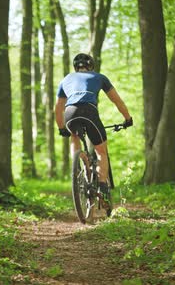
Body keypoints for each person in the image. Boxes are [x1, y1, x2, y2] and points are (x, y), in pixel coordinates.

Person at [54, 53, 133, 206]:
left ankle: (78, 165)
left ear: (75, 67)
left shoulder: (66, 79)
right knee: (101, 150)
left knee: (74, 136)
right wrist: (127, 118)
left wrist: (61, 127)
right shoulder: (99, 77)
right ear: (91, 66)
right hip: (89, 111)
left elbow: (58, 108)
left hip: (70, 112)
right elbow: (117, 100)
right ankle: (103, 187)